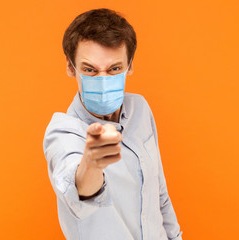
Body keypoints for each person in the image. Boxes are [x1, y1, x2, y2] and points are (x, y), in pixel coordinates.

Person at [43, 8, 183, 240]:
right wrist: (91, 164)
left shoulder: (140, 108)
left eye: (114, 69)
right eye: (90, 70)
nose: (103, 81)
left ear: (130, 66)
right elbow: (78, 189)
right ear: (71, 67)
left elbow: (158, 192)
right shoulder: (63, 133)